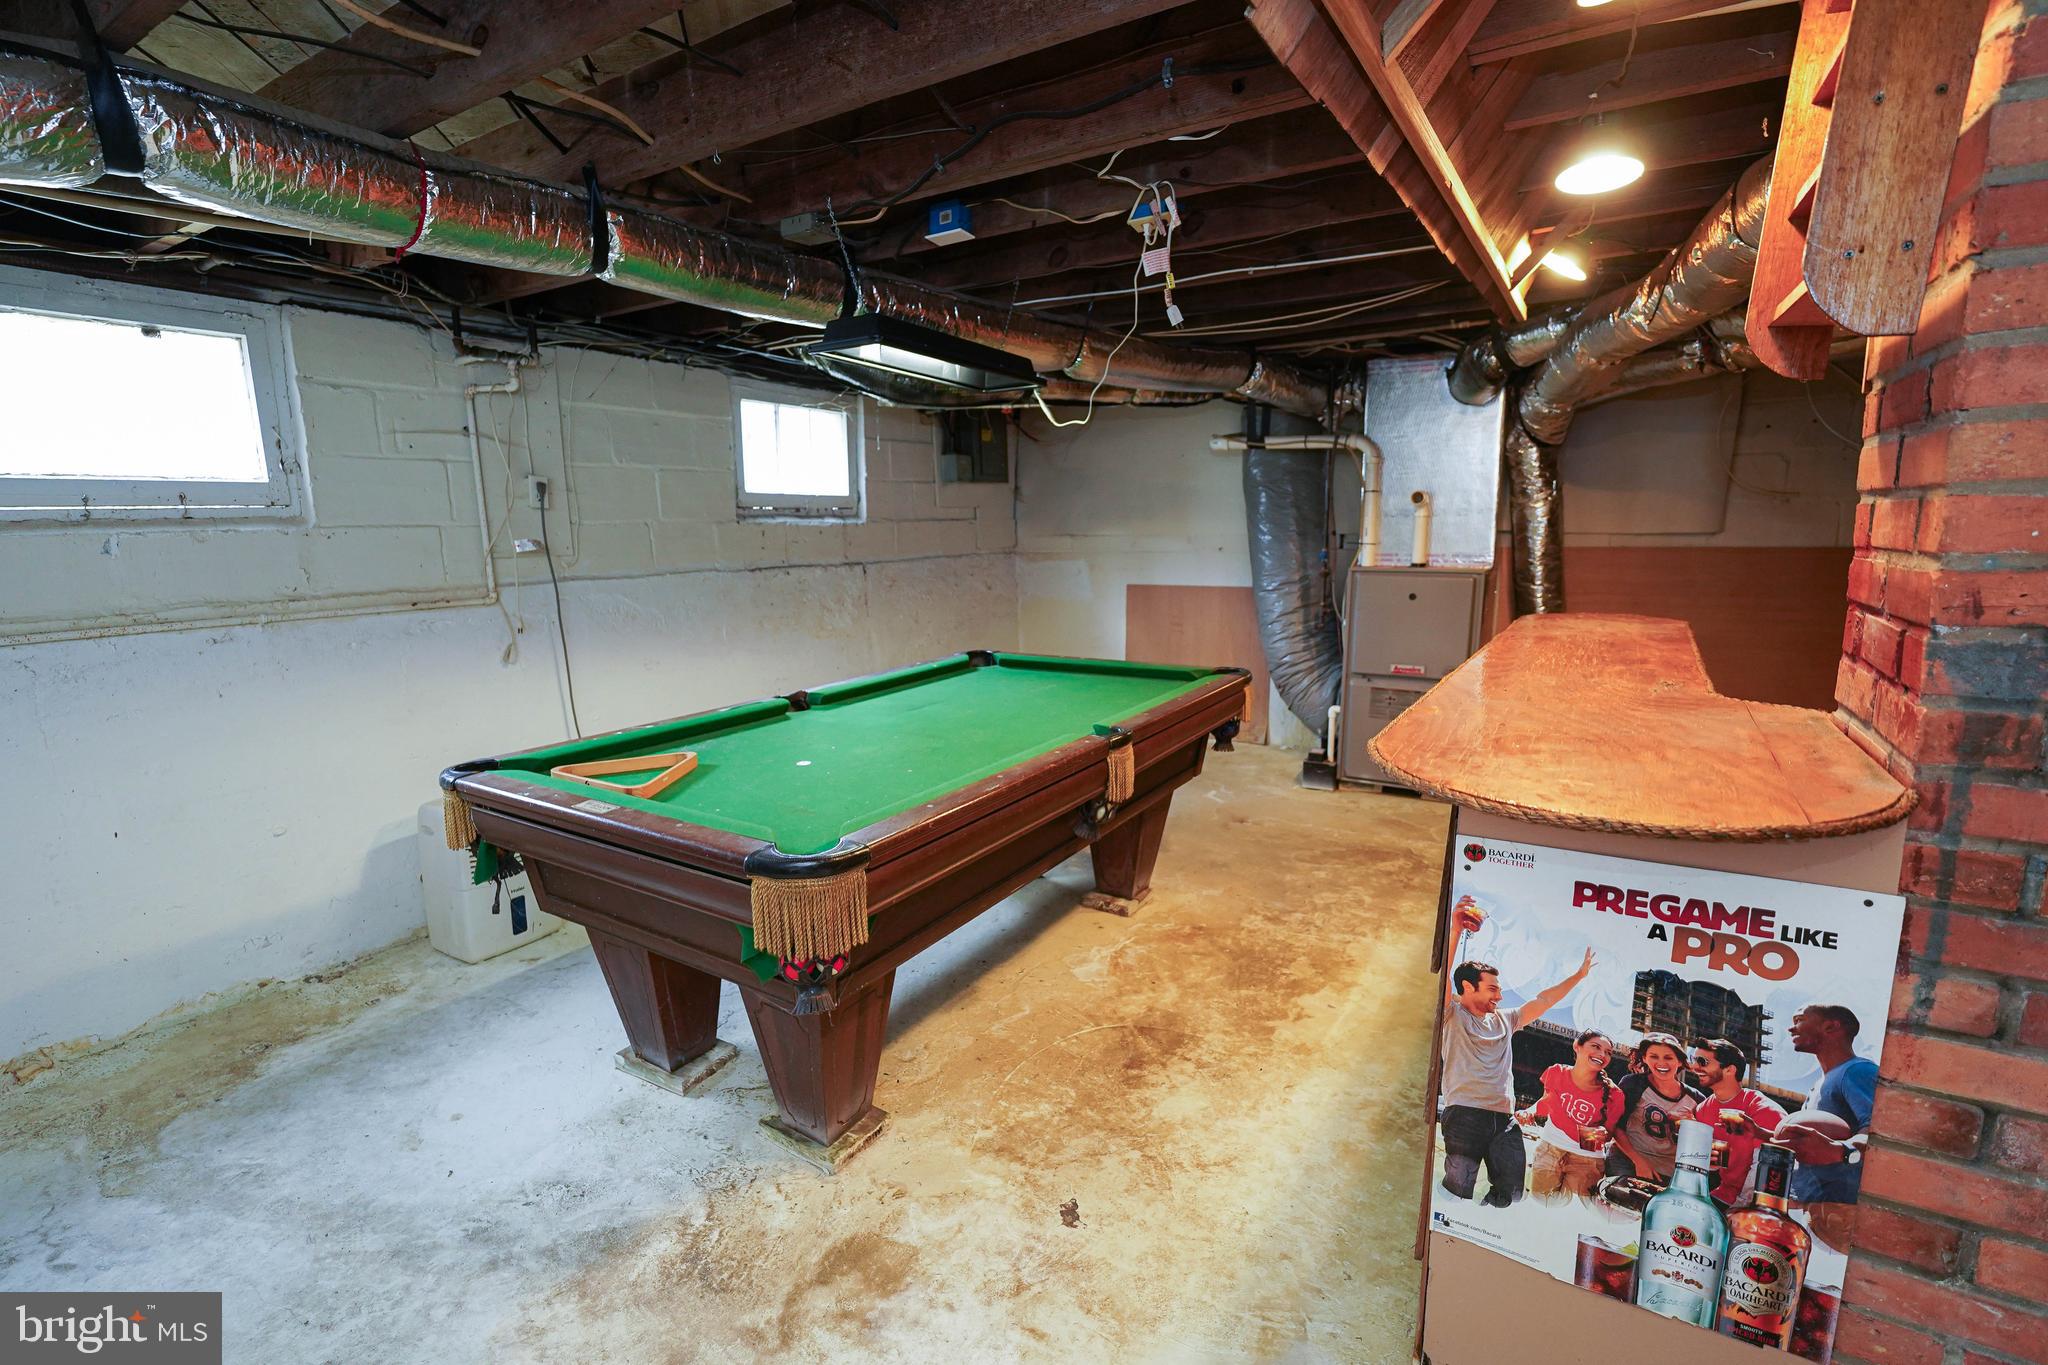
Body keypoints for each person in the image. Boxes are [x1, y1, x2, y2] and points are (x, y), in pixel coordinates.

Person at [1439, 896, 1597, 1208]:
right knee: (1458, 1190)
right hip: (1465, 1113)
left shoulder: (1506, 1019)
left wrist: (1579, 976)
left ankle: (1486, 1221)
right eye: (1492, 989)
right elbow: (1443, 977)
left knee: (1511, 1193)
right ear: (1468, 988)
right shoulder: (1451, 1014)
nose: (1499, 996)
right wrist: (1454, 931)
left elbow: (1544, 1000)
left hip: (1504, 1117)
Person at [1776, 1004, 1877, 1251]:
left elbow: (1879, 1134)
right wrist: (1758, 1132)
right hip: (1812, 1213)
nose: (1791, 1028)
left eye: (1799, 1020)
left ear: (1831, 1026)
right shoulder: (1821, 1081)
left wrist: (1840, 1151)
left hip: (1839, 1216)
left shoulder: (1857, 1070)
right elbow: (1814, 1143)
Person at [1517, 1028, 1624, 1200]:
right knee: (1540, 1202)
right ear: (1577, 1046)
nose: (1602, 1054)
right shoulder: (1556, 1072)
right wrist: (1528, 1112)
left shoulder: (1615, 1094)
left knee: (1573, 1211)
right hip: (1549, 1149)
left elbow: (1609, 1133)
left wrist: (1600, 1134)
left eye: (1608, 1052)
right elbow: (1546, 1103)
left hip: (1587, 1160)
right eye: (1596, 1046)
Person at [1689, 1037, 1787, 1205]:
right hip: (1724, 1194)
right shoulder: (1703, 1109)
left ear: (1730, 1070)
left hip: (1756, 1203)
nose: (1694, 1067)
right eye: (1694, 1059)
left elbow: (1773, 1171)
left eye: (1702, 1062)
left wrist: (1740, 1209)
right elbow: (1710, 1163)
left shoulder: (1763, 1109)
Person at [1607, 1033, 1707, 1183]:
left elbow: (1702, 1148)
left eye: (1668, 1057)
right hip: (1628, 1159)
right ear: (1644, 1058)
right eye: (1654, 1056)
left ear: (1680, 1061)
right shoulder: (1633, 1084)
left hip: (1670, 1171)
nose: (1661, 1063)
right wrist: (1639, 1162)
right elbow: (1616, 1127)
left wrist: (1693, 1126)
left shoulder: (1697, 1099)